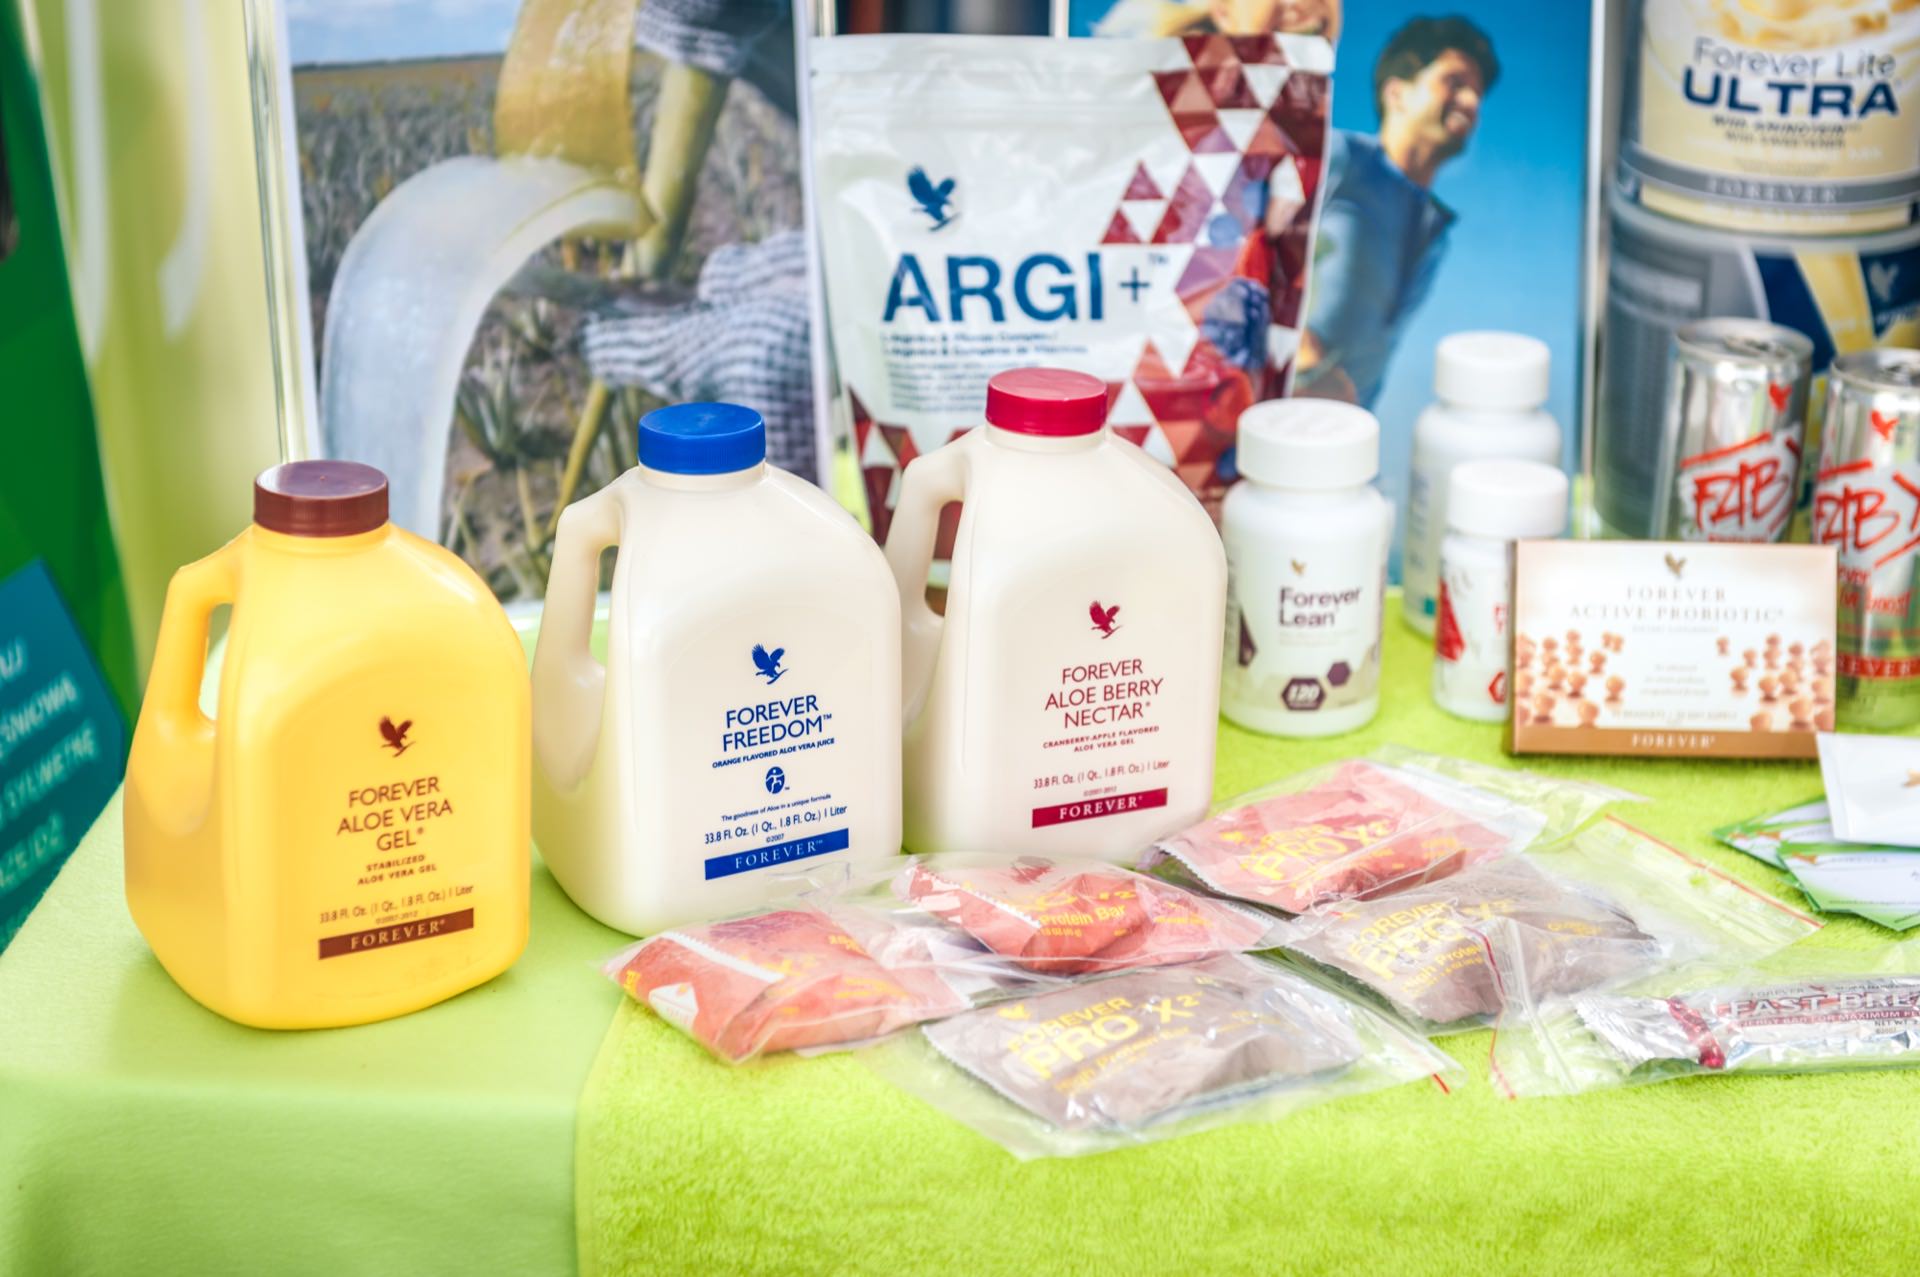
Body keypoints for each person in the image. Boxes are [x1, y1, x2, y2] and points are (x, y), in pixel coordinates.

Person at [1295, 15, 1498, 408]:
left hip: (1343, 444)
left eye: (1477, 93)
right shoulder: (1338, 158)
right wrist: (1307, 363)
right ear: (1397, 93)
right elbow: (1237, 239)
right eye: (1455, 82)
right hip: (1265, 424)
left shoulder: (1434, 233)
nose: (1472, 102)